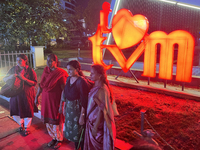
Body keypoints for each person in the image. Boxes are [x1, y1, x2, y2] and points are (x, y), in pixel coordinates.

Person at [35, 54, 68, 149]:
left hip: (55, 101)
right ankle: (54, 137)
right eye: (47, 60)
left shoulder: (60, 73)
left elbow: (64, 89)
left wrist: (63, 103)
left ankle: (59, 139)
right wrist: (36, 96)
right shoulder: (46, 71)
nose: (48, 63)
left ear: (56, 61)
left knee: (56, 120)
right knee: (48, 120)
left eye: (51, 61)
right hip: (45, 101)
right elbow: (41, 85)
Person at [83, 64, 116, 150]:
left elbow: (102, 111)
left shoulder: (102, 89)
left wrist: (95, 127)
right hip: (90, 122)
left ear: (100, 75)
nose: (90, 75)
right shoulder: (95, 86)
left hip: (96, 125)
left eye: (92, 73)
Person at [59, 60, 90, 150]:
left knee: (79, 132)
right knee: (72, 131)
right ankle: (77, 147)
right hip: (69, 110)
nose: (68, 72)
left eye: (71, 70)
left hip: (78, 111)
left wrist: (82, 115)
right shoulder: (69, 79)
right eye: (68, 69)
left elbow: (84, 100)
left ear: (77, 69)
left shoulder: (81, 82)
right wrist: (64, 106)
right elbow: (65, 92)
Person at [3, 54, 37, 136]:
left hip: (27, 94)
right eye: (17, 60)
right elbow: (4, 79)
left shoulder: (30, 71)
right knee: (15, 110)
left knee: (27, 110)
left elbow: (34, 83)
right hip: (15, 94)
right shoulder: (13, 69)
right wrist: (10, 77)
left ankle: (26, 127)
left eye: (20, 60)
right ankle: (21, 124)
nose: (18, 62)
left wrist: (24, 79)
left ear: (25, 61)